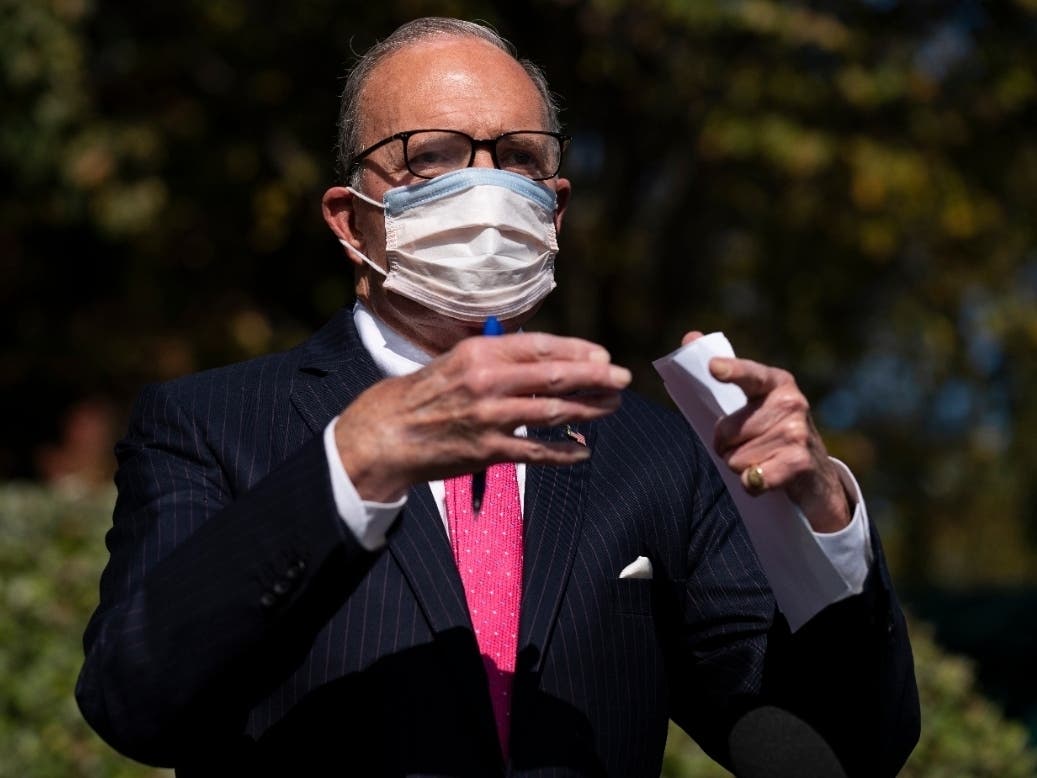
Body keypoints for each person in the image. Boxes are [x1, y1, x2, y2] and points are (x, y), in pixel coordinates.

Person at [76, 17, 920, 778]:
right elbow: (136, 700)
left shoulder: (652, 452)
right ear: (347, 217)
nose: (486, 186)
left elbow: (841, 752)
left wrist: (822, 514)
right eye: (430, 156)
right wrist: (353, 466)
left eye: (518, 158)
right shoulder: (210, 423)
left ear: (553, 211)